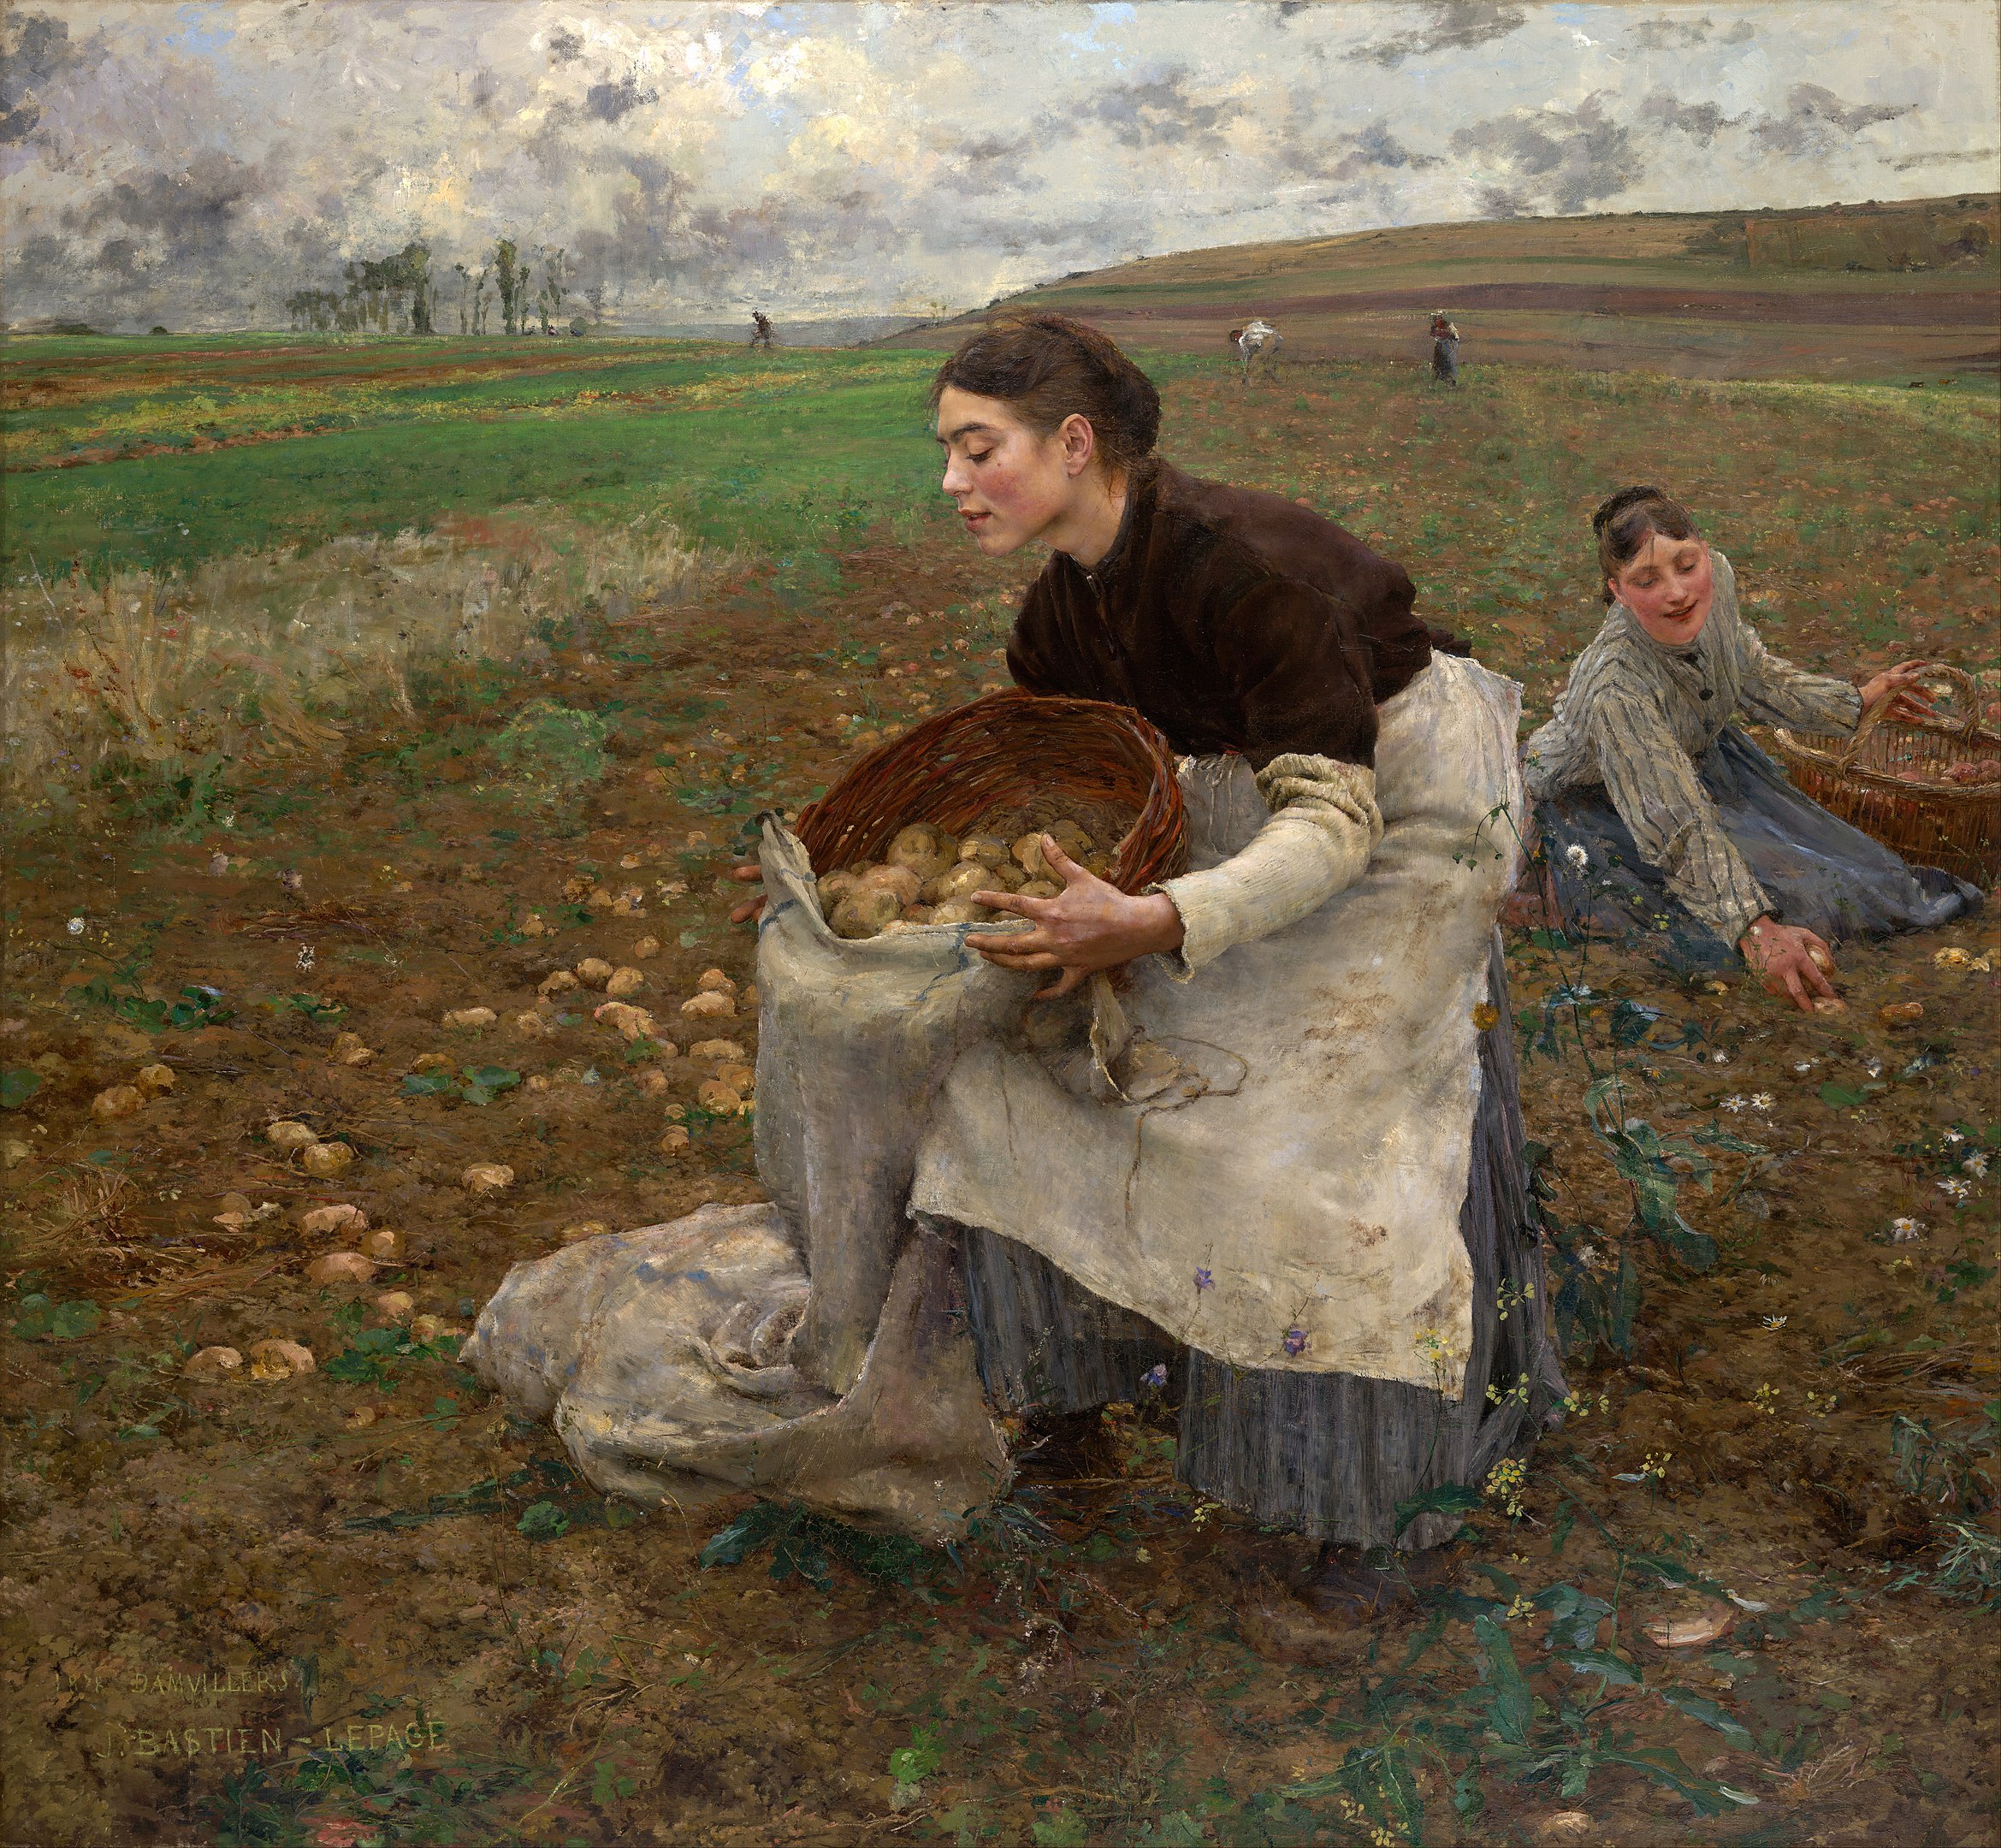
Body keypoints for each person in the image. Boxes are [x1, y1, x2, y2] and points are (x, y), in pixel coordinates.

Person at [738, 313, 1563, 1613]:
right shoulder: (1059, 613)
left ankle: (1372, 1501)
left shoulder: (1244, 567)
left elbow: (1335, 821)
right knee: (1029, 1074)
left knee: (1316, 1117)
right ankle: (1069, 1388)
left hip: (1398, 800)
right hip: (1235, 810)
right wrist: (851, 902)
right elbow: (1034, 789)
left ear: (1073, 444)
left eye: (975, 449)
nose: (950, 483)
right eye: (945, 452)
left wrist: (1161, 922)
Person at [1524, 485, 1980, 1008]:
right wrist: (1752, 926)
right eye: (1646, 581)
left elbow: (1748, 672)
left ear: (1704, 551)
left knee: (1867, 877)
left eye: (1686, 564)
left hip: (1708, 767)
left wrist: (1852, 701)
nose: (1677, 592)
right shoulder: (1615, 686)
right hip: (1606, 807)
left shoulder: (1715, 583)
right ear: (1618, 591)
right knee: (1800, 907)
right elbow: (1671, 819)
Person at [1429, 310, 1459, 386]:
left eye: (1436, 318)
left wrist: (1445, 334)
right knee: (1437, 363)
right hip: (1440, 345)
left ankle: (1451, 382)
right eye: (1434, 318)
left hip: (1449, 345)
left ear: (1440, 317)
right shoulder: (1434, 327)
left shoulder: (1448, 325)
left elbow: (1455, 337)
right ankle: (1436, 381)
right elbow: (1433, 334)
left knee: (1449, 363)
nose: (1435, 320)